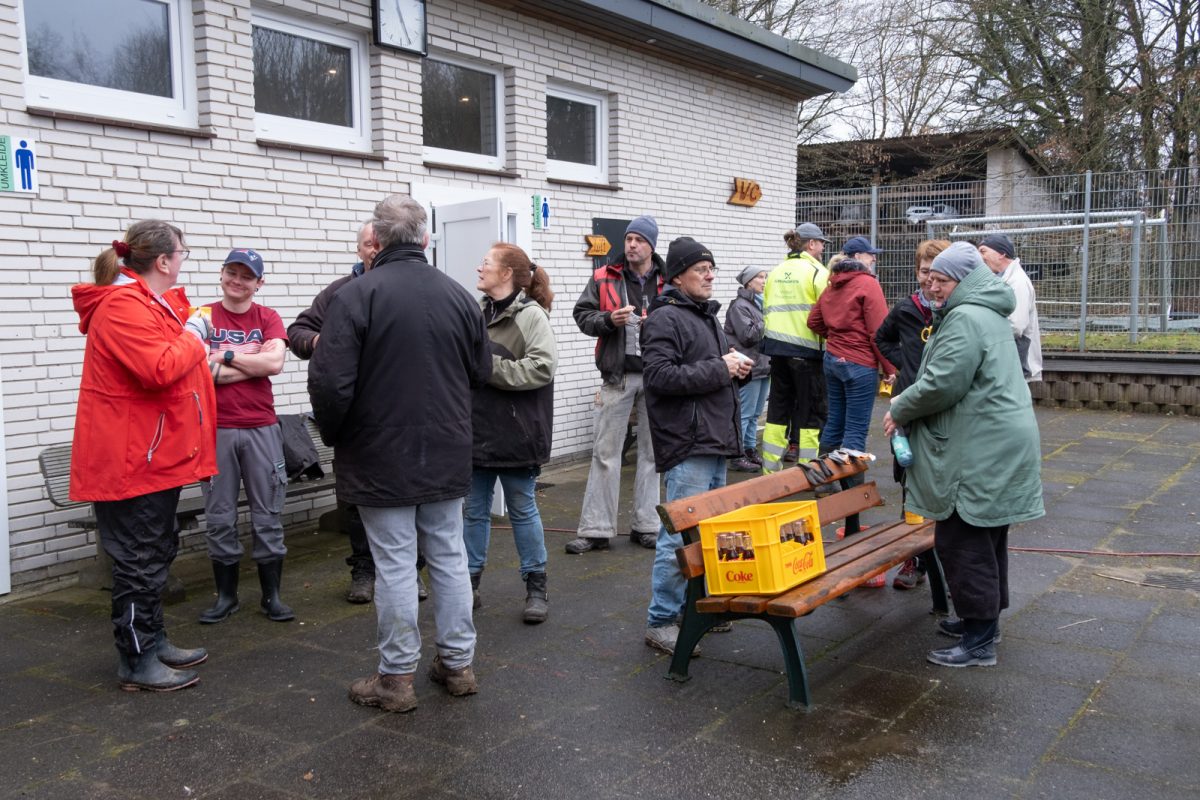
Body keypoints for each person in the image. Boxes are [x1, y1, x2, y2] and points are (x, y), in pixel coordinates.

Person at [309, 194, 491, 713]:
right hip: (447, 449)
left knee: (394, 564)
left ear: (378, 240)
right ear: (425, 239)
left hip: (379, 453)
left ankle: (396, 678)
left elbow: (329, 383)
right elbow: (481, 373)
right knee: (449, 556)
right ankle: (457, 665)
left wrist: (336, 435)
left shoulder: (356, 296)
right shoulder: (460, 297)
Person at [70, 220, 216, 692]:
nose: (183, 261)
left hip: (151, 456)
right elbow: (159, 367)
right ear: (164, 260)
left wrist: (188, 332)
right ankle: (136, 659)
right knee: (138, 560)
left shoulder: (148, 302)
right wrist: (193, 334)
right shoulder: (122, 306)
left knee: (154, 552)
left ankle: (152, 641)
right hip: (131, 460)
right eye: (182, 253)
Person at [883, 242, 1044, 668]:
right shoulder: (984, 312)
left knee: (963, 539)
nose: (932, 286)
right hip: (996, 440)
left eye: (942, 280)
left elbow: (942, 384)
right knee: (987, 537)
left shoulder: (966, 318)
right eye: (930, 278)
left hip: (982, 446)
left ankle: (979, 641)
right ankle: (982, 623)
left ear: (965, 280)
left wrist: (899, 407)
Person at [287, 222, 428, 606]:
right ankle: (363, 571)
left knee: (411, 498)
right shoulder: (340, 293)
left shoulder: (410, 290)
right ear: (359, 249)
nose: (373, 249)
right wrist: (324, 341)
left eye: (378, 243)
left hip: (404, 415)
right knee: (356, 501)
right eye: (368, 243)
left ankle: (412, 571)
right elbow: (297, 331)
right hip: (356, 419)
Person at [641, 237, 751, 655]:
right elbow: (659, 377)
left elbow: (706, 371)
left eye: (711, 269)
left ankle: (696, 608)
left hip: (713, 440)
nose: (709, 276)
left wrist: (734, 367)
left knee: (707, 534)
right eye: (701, 269)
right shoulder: (664, 319)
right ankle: (661, 621)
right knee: (678, 539)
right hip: (689, 443)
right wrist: (720, 367)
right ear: (678, 276)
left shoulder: (705, 315)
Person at [198, 248, 293, 624]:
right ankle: (226, 597)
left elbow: (275, 362)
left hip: (260, 427)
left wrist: (224, 356)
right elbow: (197, 370)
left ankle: (272, 597)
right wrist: (252, 361)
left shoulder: (267, 317)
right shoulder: (201, 317)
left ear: (259, 283)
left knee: (267, 514)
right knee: (219, 516)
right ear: (221, 274)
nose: (237, 281)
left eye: (247, 276)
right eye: (232, 273)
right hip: (216, 429)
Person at [464, 243, 557, 624]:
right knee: (473, 511)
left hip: (517, 433)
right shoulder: (477, 311)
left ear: (506, 274)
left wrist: (488, 368)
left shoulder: (531, 316)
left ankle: (536, 587)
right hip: (477, 431)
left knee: (522, 509)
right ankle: (468, 585)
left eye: (486, 262)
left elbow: (542, 367)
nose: (479, 267)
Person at [566, 215, 665, 553]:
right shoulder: (603, 276)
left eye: (639, 240)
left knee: (652, 454)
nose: (632, 244)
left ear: (652, 245)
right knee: (605, 454)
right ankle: (596, 530)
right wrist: (609, 319)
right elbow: (582, 316)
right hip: (617, 375)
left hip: (658, 377)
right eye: (629, 239)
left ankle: (647, 526)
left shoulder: (668, 280)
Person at [876, 239, 949, 590]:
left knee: (945, 484)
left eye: (936, 273)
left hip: (943, 410)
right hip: (907, 405)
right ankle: (913, 560)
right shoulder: (906, 309)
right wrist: (905, 366)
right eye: (923, 272)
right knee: (909, 482)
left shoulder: (956, 312)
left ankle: (947, 558)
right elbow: (882, 339)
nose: (929, 281)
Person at [807, 256, 895, 543]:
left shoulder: (833, 285)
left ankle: (825, 481)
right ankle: (853, 511)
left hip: (833, 359)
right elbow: (879, 332)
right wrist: (890, 368)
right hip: (859, 363)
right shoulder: (868, 285)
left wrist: (837, 338)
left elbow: (813, 321)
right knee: (855, 433)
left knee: (834, 423)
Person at [759, 224, 830, 473]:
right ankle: (810, 472)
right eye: (821, 244)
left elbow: (767, 308)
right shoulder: (818, 272)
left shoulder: (775, 271)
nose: (823, 249)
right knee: (812, 411)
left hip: (777, 350)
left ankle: (770, 471)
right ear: (811, 244)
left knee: (778, 410)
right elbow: (827, 312)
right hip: (808, 352)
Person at [978, 233, 1042, 381]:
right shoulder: (1001, 279)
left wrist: (981, 336)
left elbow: (1016, 326)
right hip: (1006, 360)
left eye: (983, 251)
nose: (979, 257)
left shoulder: (1017, 282)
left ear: (1001, 253)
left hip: (1017, 362)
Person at [724, 265, 770, 472]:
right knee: (745, 413)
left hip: (764, 366)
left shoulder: (760, 304)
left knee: (755, 413)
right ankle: (737, 454)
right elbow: (748, 336)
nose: (764, 281)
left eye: (765, 277)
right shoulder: (739, 306)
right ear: (749, 282)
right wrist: (768, 319)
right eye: (760, 277)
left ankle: (750, 449)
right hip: (749, 367)